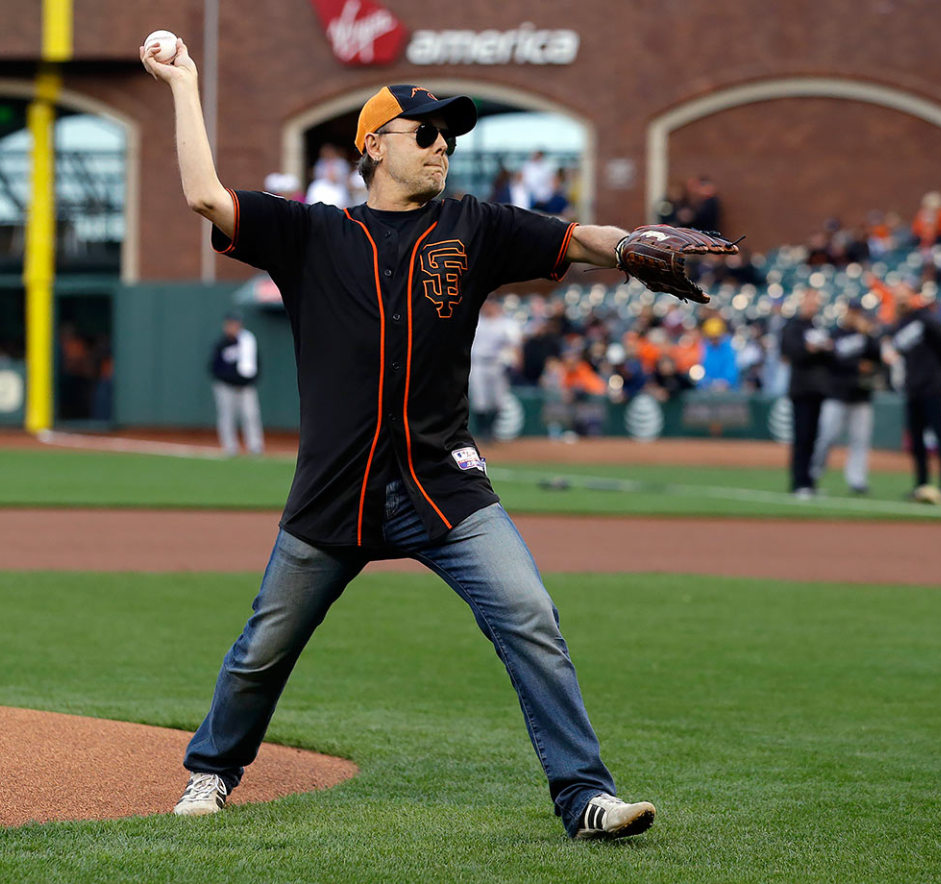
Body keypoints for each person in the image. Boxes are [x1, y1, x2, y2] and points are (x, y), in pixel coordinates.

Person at [143, 38, 656, 841]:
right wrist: (184, 84)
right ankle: (211, 772)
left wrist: (625, 248)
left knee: (529, 617)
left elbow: (574, 238)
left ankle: (585, 796)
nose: (442, 144)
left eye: (449, 134)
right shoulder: (312, 234)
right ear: (375, 144)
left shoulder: (474, 228)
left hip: (443, 485)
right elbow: (206, 196)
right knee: (263, 648)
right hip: (334, 490)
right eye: (426, 131)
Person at [887, 282, 941, 501]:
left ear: (913, 296)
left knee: (940, 437)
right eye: (897, 296)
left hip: (933, 387)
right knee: (916, 441)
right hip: (912, 388)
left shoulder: (926, 319)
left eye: (904, 295)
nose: (900, 299)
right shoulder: (898, 325)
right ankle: (921, 484)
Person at [810, 300, 881, 494]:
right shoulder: (836, 334)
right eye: (852, 311)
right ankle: (813, 475)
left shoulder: (868, 334)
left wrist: (868, 333)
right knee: (826, 437)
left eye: (857, 312)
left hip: (861, 396)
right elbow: (831, 360)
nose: (854, 315)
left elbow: (877, 356)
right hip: (837, 394)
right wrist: (855, 366)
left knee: (860, 440)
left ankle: (857, 480)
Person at [779, 289, 833, 498]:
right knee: (802, 438)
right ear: (802, 304)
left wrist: (821, 349)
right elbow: (790, 352)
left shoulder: (818, 327)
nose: (812, 307)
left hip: (818, 389)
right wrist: (809, 349)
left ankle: (809, 482)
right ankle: (799, 482)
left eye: (815, 303)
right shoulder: (793, 327)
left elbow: (830, 353)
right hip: (801, 389)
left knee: (813, 438)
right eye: (809, 303)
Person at [209, 311, 264, 456]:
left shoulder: (248, 343)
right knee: (227, 416)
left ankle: (255, 446)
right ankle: (230, 448)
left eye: (235, 324)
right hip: (226, 387)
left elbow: (256, 365)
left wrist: (247, 381)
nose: (233, 327)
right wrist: (230, 380)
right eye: (230, 324)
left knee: (250, 415)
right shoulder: (221, 344)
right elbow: (214, 368)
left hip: (246, 387)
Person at [468, 297, 521, 442]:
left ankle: (490, 431)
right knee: (479, 401)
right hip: (477, 363)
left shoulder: (505, 323)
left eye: (491, 304)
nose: (488, 307)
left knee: (498, 401)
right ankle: (483, 432)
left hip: (497, 365)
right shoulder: (476, 320)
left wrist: (516, 363)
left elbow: (515, 345)